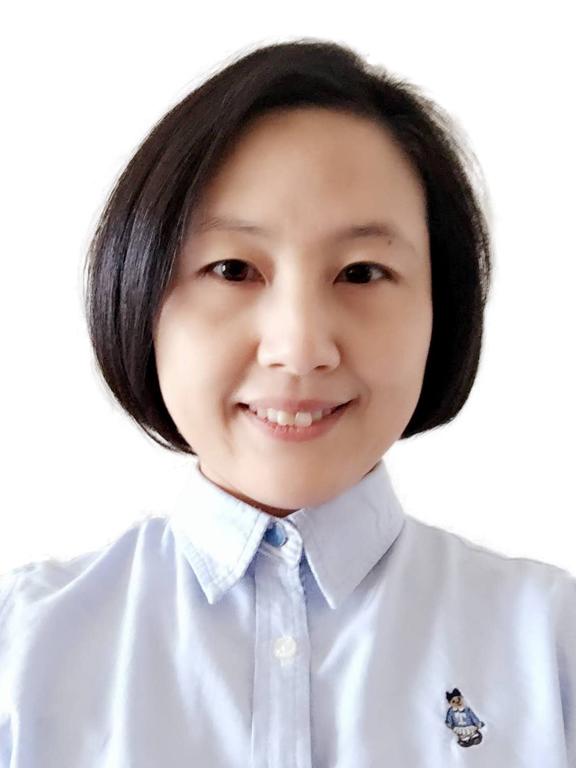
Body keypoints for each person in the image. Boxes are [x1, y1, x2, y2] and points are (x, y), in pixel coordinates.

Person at [0, 38, 574, 766]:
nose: (300, 348)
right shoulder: (22, 650)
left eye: (361, 272)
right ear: (140, 293)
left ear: (443, 308)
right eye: (232, 269)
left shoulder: (551, 646)